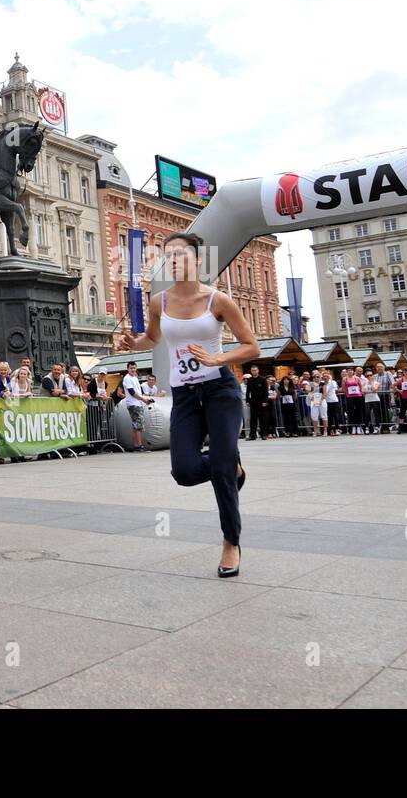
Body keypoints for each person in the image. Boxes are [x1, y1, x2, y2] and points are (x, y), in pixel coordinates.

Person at [116, 232, 259, 578]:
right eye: (169, 255)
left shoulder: (218, 301)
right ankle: (231, 466)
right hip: (185, 397)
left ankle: (231, 542)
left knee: (221, 469)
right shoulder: (159, 302)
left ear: (198, 260)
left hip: (220, 390)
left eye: (182, 254)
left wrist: (216, 358)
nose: (175, 260)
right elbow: (153, 338)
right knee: (184, 471)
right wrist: (133, 344)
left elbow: (251, 347)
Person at [120, 360, 152, 451]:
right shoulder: (127, 378)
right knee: (138, 425)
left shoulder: (134, 377)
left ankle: (136, 445)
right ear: (127, 369)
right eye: (131, 368)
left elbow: (138, 392)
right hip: (133, 403)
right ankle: (139, 445)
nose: (133, 369)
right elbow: (132, 392)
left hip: (138, 403)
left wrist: (145, 398)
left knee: (136, 425)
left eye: (134, 368)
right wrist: (143, 399)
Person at [243, 365, 269, 440]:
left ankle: (264, 434)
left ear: (258, 371)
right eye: (252, 370)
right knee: (253, 419)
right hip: (253, 401)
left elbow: (265, 391)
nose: (254, 372)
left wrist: (265, 401)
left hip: (262, 401)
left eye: (255, 370)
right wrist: (247, 400)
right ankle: (252, 435)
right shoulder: (250, 380)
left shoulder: (263, 379)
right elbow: (248, 391)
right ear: (251, 371)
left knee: (262, 418)